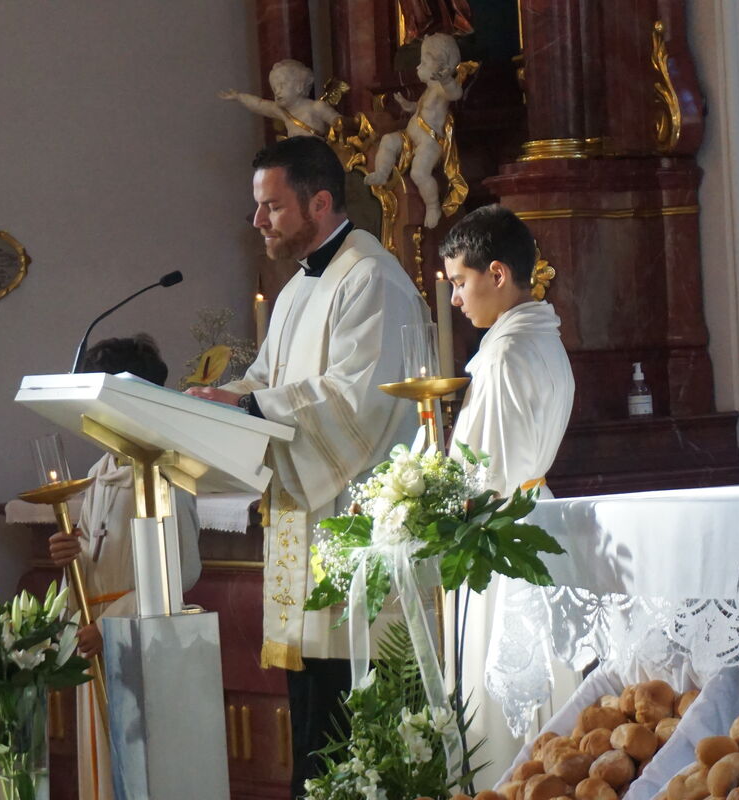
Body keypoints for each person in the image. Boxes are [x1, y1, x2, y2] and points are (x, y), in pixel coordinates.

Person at [186, 135, 429, 796]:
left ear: (319, 203)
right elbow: (265, 383)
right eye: (257, 208)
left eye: (271, 206)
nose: (258, 221)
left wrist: (248, 405)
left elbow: (355, 401)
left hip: (356, 530)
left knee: (350, 722)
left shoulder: (371, 278)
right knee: (314, 721)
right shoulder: (297, 288)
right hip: (308, 526)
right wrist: (214, 400)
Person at [439, 204, 575, 789]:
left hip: (496, 541)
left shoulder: (502, 356)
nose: (454, 299)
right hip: (534, 521)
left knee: (497, 712)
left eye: (459, 282)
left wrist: (423, 505)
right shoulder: (543, 339)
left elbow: (482, 479)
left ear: (496, 273)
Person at [47, 334, 202, 800]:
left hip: (138, 642)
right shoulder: (99, 472)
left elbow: (180, 571)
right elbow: (95, 559)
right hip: (96, 638)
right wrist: (69, 558)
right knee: (103, 770)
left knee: (141, 770)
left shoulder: (163, 474)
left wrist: (110, 626)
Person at [365, 33, 464, 229]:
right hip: (410, 138)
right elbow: (419, 109)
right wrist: (407, 105)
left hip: (430, 143)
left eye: (424, 63)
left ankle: (432, 206)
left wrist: (447, 81)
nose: (418, 67)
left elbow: (455, 94)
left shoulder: (441, 89)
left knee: (419, 172)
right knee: (387, 140)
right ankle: (382, 173)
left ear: (441, 67)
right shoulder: (429, 90)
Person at [219, 59, 342, 139]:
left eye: (282, 86)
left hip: (316, 153)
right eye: (274, 88)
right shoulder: (282, 111)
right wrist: (239, 97)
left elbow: (339, 123)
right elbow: (259, 105)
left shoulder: (316, 107)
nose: (277, 92)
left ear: (299, 86)